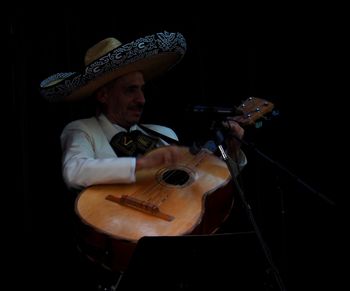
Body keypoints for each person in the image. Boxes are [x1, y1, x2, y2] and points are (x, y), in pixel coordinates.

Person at [40, 31, 247, 290]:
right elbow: (74, 171)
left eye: (142, 90)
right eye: (130, 90)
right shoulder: (82, 130)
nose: (142, 99)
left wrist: (232, 150)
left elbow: (203, 185)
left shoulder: (164, 134)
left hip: (173, 248)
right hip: (113, 256)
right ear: (103, 95)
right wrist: (142, 165)